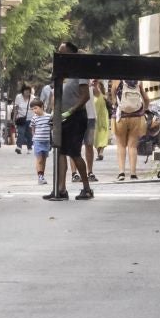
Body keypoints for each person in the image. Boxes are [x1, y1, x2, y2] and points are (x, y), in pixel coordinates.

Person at [52, 44, 95, 201]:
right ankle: (61, 189)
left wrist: (71, 110)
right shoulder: (65, 73)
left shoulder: (79, 71)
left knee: (75, 153)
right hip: (64, 117)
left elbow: (85, 96)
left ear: (71, 54)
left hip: (76, 117)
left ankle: (87, 188)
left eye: (63, 53)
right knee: (61, 152)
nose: (60, 55)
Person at [112, 80, 149, 182]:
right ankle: (133, 173)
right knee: (132, 146)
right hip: (136, 117)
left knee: (121, 145)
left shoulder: (116, 80)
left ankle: (121, 173)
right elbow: (146, 99)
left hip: (121, 117)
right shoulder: (138, 81)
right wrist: (144, 110)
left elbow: (113, 99)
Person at [88, 80, 111, 184]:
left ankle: (101, 152)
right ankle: (99, 152)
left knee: (103, 135)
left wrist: (96, 85)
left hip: (102, 117)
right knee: (97, 137)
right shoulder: (92, 95)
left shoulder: (102, 95)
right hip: (95, 118)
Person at [30, 101, 52, 183]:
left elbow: (51, 127)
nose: (34, 111)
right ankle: (40, 176)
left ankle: (42, 175)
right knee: (39, 159)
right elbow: (33, 129)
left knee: (44, 159)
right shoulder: (34, 118)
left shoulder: (49, 117)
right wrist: (34, 137)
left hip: (46, 141)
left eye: (36, 108)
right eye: (33, 109)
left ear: (42, 107)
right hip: (38, 141)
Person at [13, 84, 33, 153]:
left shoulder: (32, 98)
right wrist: (14, 118)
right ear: (23, 91)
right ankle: (19, 147)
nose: (27, 92)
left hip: (30, 118)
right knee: (21, 132)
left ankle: (29, 148)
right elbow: (16, 108)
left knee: (29, 134)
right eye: (26, 90)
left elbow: (35, 108)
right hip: (21, 118)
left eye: (28, 91)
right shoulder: (18, 97)